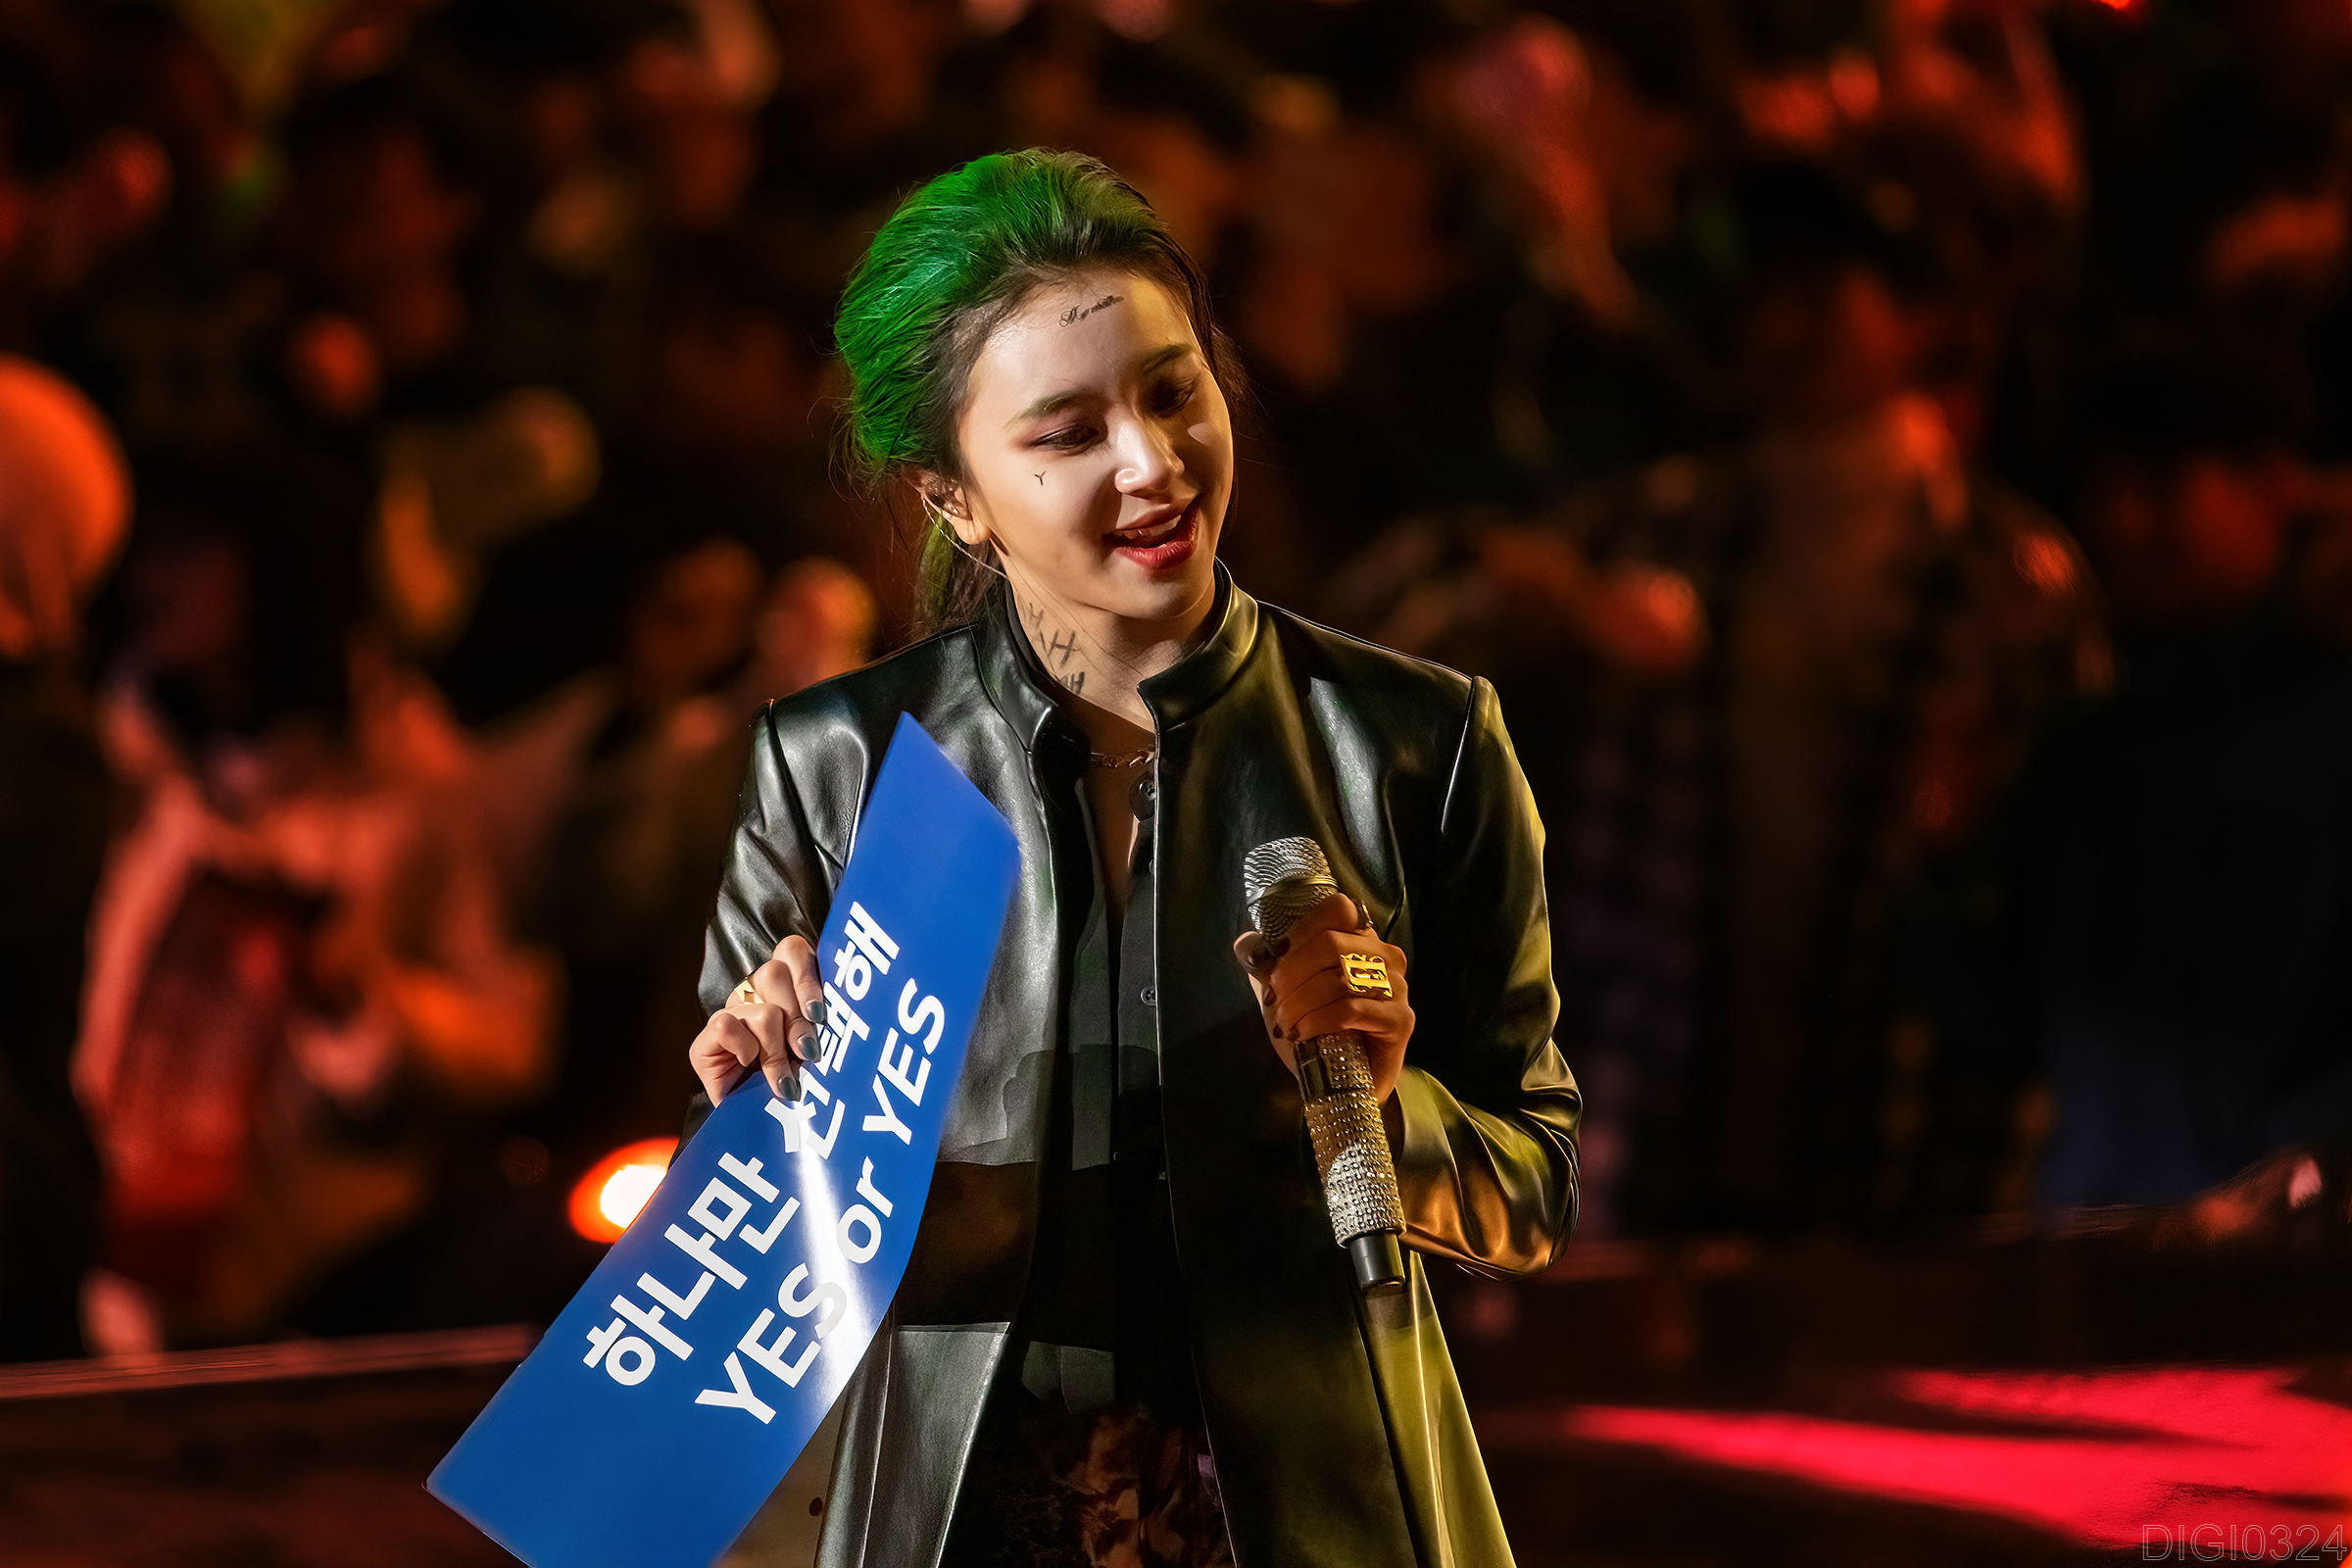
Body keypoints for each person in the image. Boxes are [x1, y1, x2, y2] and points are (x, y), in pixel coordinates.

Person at [683, 150, 1580, 1567]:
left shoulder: (1418, 742)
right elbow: (749, 1259)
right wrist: (757, 1095)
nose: (1153, 463)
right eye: (1068, 432)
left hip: (1306, 1513)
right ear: (954, 497)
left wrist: (1383, 1108)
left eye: (1174, 392)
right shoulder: (839, 767)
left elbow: (1535, 1182)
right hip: (961, 1519)